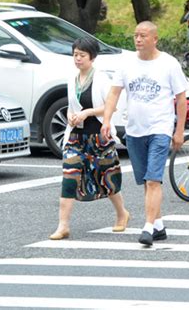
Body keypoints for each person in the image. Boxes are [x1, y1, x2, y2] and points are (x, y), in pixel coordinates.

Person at [101, 21, 188, 246]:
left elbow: (181, 99)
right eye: (136, 36)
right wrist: (107, 120)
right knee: (145, 181)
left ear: (155, 39)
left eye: (143, 36)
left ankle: (147, 228)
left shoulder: (169, 64)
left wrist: (179, 131)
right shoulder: (126, 63)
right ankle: (158, 226)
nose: (138, 40)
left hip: (160, 128)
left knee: (153, 180)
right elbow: (114, 93)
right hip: (134, 130)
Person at [49, 37, 130, 240]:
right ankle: (63, 225)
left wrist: (88, 113)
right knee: (69, 178)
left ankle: (122, 213)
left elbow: (111, 106)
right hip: (76, 137)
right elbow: (72, 106)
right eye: (75, 54)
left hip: (98, 137)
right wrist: (71, 115)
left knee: (106, 178)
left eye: (82, 55)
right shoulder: (72, 79)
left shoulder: (101, 79)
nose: (77, 59)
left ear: (92, 57)